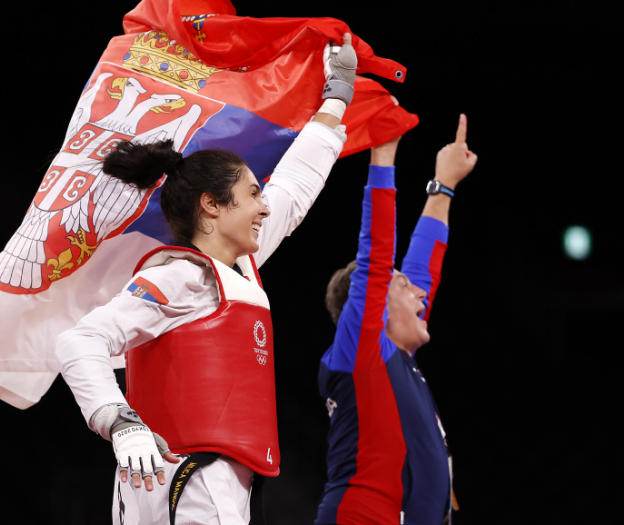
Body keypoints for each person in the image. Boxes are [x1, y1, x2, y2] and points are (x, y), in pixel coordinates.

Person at [56, 34, 358, 525]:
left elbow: (296, 187)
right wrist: (119, 419)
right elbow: (80, 340)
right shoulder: (183, 277)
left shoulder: (238, 271)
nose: (265, 207)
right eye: (253, 195)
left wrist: (337, 94)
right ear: (212, 206)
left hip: (217, 485)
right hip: (179, 483)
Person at [315, 114, 478, 525]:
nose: (421, 291)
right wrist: (382, 156)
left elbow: (424, 266)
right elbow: (376, 262)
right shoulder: (361, 355)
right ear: (373, 307)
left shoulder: (395, 359)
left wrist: (445, 184)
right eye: (404, 286)